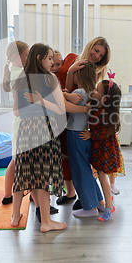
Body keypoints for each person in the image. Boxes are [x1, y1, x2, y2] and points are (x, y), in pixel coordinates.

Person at [11, 43, 91, 232]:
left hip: (25, 130)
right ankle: (46, 222)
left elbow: (16, 112)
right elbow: (60, 109)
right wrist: (42, 101)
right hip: (44, 131)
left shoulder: (21, 80)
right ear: (39, 59)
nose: (51, 62)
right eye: (48, 58)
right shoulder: (50, 79)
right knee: (41, 176)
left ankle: (15, 217)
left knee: (22, 173)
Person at [55, 37, 111, 207]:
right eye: (96, 50)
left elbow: (84, 100)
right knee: (67, 156)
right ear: (90, 46)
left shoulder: (92, 74)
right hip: (62, 111)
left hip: (71, 110)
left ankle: (87, 199)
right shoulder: (71, 57)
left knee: (79, 161)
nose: (97, 55)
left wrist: (66, 93)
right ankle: (73, 192)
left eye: (100, 55)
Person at [66, 62, 106, 217]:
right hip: (84, 134)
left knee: (80, 172)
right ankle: (99, 203)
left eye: (74, 73)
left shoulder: (78, 92)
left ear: (78, 75)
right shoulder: (91, 92)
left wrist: (63, 94)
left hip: (75, 134)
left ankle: (90, 208)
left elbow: (63, 105)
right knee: (86, 171)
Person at [81, 79, 122, 222]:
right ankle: (107, 201)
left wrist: (91, 134)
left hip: (105, 151)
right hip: (100, 149)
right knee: (100, 176)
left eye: (97, 90)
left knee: (102, 176)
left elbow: (104, 133)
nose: (94, 91)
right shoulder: (99, 107)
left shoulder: (104, 113)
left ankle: (109, 207)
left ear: (105, 98)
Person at [1, 41, 29, 206]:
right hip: (23, 121)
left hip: (20, 122)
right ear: (15, 57)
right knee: (24, 161)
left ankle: (7, 195)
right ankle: (33, 196)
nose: (28, 58)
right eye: (26, 55)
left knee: (15, 160)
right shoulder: (21, 74)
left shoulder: (15, 72)